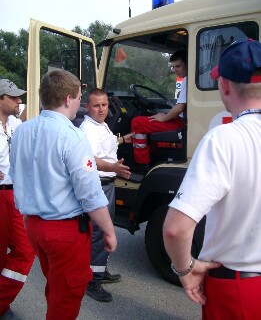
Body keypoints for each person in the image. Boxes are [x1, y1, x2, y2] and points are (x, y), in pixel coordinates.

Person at [163, 38, 261, 319]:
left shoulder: (224, 138)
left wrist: (185, 269)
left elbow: (175, 229)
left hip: (238, 291)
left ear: (225, 86)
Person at [9, 70, 117, 320]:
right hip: (64, 232)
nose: (80, 102)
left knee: (56, 287)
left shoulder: (22, 131)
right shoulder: (73, 135)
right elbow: (90, 194)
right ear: (69, 99)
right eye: (80, 97)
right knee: (67, 297)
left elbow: (18, 176)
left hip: (34, 226)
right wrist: (109, 231)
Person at [79, 88, 133, 302]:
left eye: (104, 105)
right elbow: (89, 156)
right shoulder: (88, 129)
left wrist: (124, 140)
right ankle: (92, 280)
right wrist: (113, 167)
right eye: (96, 105)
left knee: (103, 230)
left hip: (107, 183)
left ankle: (100, 269)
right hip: (99, 183)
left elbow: (106, 145)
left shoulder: (100, 125)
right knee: (99, 232)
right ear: (87, 106)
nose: (102, 109)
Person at [0, 79, 35, 319]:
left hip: (15, 194)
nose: (19, 101)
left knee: (24, 250)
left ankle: (1, 300)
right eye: (13, 97)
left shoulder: (14, 122)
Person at [131, 50, 187, 167]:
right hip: (183, 121)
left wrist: (164, 118)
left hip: (182, 124)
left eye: (178, 66)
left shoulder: (187, 80)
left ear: (186, 64)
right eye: (173, 67)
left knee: (137, 122)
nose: (175, 70)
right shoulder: (188, 79)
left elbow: (179, 108)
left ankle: (142, 164)